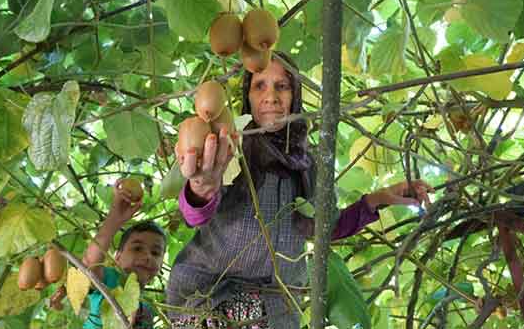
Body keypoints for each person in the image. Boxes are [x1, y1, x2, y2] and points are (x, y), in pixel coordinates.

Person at [166, 52, 433, 328]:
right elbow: (194, 215)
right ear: (247, 96)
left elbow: (325, 227)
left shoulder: (309, 163)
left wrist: (381, 198)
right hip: (210, 298)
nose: (271, 96)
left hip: (273, 311)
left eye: (282, 86)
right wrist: (202, 185)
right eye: (260, 86)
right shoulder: (230, 147)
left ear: (296, 95)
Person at [65, 179, 166, 329]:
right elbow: (89, 265)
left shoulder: (148, 309)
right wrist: (114, 219)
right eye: (137, 248)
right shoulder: (110, 279)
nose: (148, 256)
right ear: (117, 257)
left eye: (156, 252)